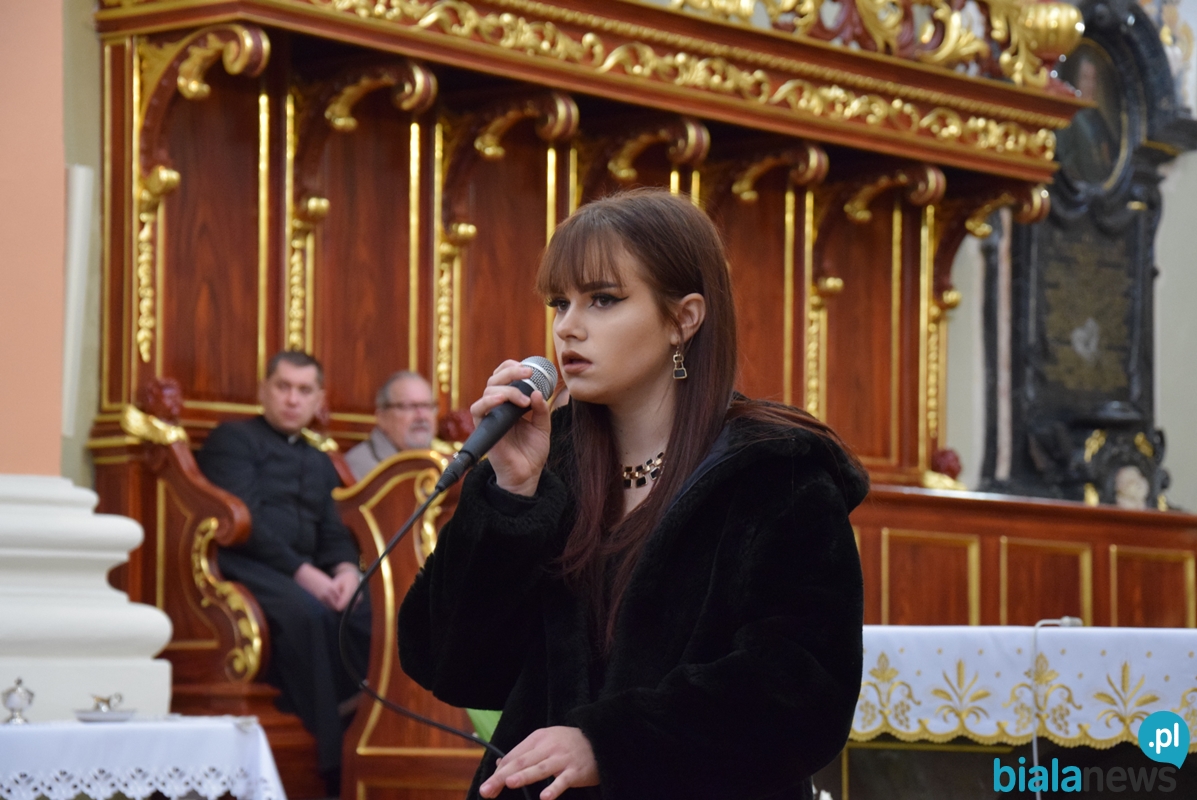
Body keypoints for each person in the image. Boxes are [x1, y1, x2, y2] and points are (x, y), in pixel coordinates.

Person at [398, 190, 867, 800]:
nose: (568, 326)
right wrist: (512, 494)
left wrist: (611, 743)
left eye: (603, 299)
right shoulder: (549, 463)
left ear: (683, 318)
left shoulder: (776, 474)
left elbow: (802, 695)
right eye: (560, 302)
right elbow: (450, 665)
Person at [197, 350, 370, 794]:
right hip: (247, 566)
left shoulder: (319, 459)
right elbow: (245, 523)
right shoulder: (233, 440)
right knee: (308, 615)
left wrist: (346, 572)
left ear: (318, 400)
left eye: (304, 390)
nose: (293, 399)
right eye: (283, 387)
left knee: (367, 612)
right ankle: (330, 762)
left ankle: (367, 736)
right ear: (264, 390)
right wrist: (305, 574)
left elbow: (334, 529)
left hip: (309, 572)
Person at [345, 371, 438, 481]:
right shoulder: (361, 466)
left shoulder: (446, 460)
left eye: (427, 406)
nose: (421, 416)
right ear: (382, 417)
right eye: (409, 406)